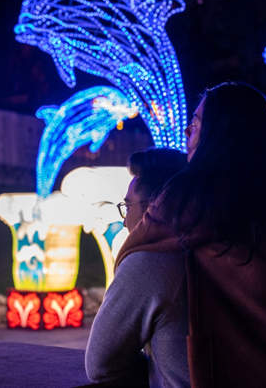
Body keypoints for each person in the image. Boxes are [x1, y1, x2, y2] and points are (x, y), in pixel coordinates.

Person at [87, 82, 266, 388]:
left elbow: (101, 364)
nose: (187, 134)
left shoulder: (173, 245)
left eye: (196, 126)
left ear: (218, 142)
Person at [86, 147, 188, 387]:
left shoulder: (151, 262)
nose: (124, 220)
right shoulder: (213, 247)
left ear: (154, 206)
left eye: (128, 206)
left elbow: (100, 364)